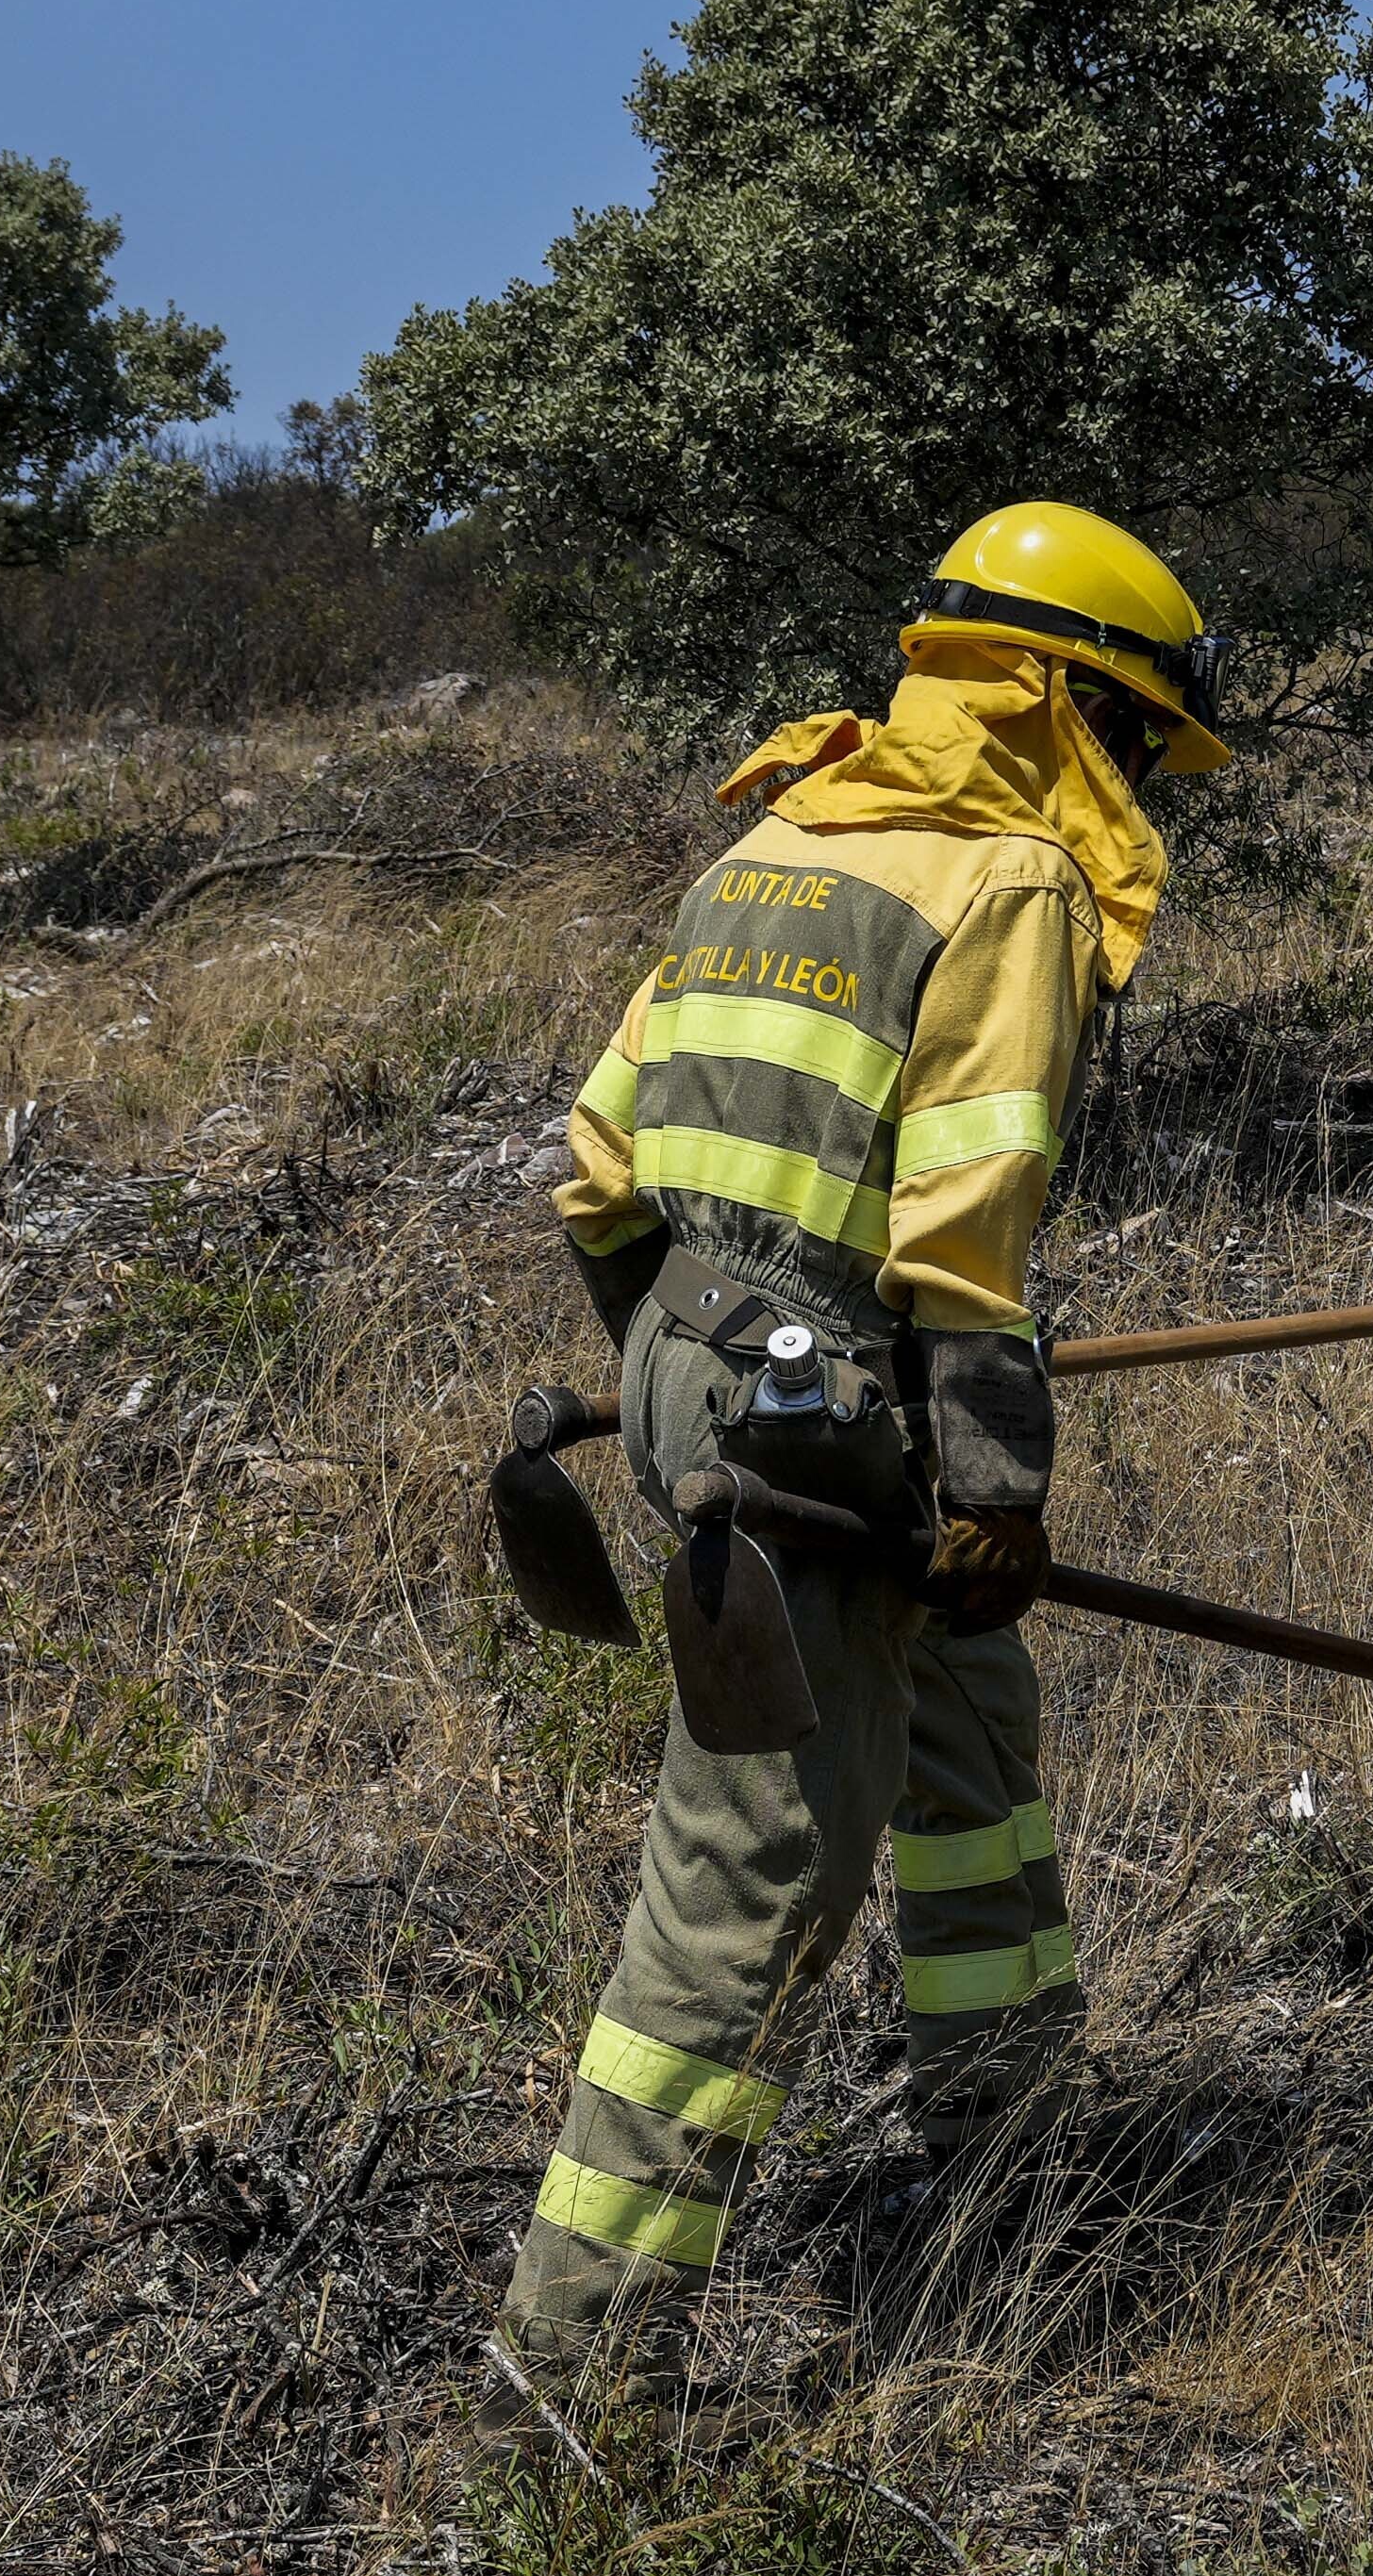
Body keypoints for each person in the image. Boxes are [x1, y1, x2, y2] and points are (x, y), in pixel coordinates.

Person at [497, 506, 1204, 2394]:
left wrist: (688, 1360)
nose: (1138, 785)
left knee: (968, 1741)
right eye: (1130, 738)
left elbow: (594, 1172)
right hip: (819, 1433)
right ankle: (568, 2392)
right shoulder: (1010, 879)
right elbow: (963, 1233)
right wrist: (987, 1482)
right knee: (743, 1906)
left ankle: (1019, 2168)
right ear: (1058, 700)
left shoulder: (782, 841)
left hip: (706, 1359)